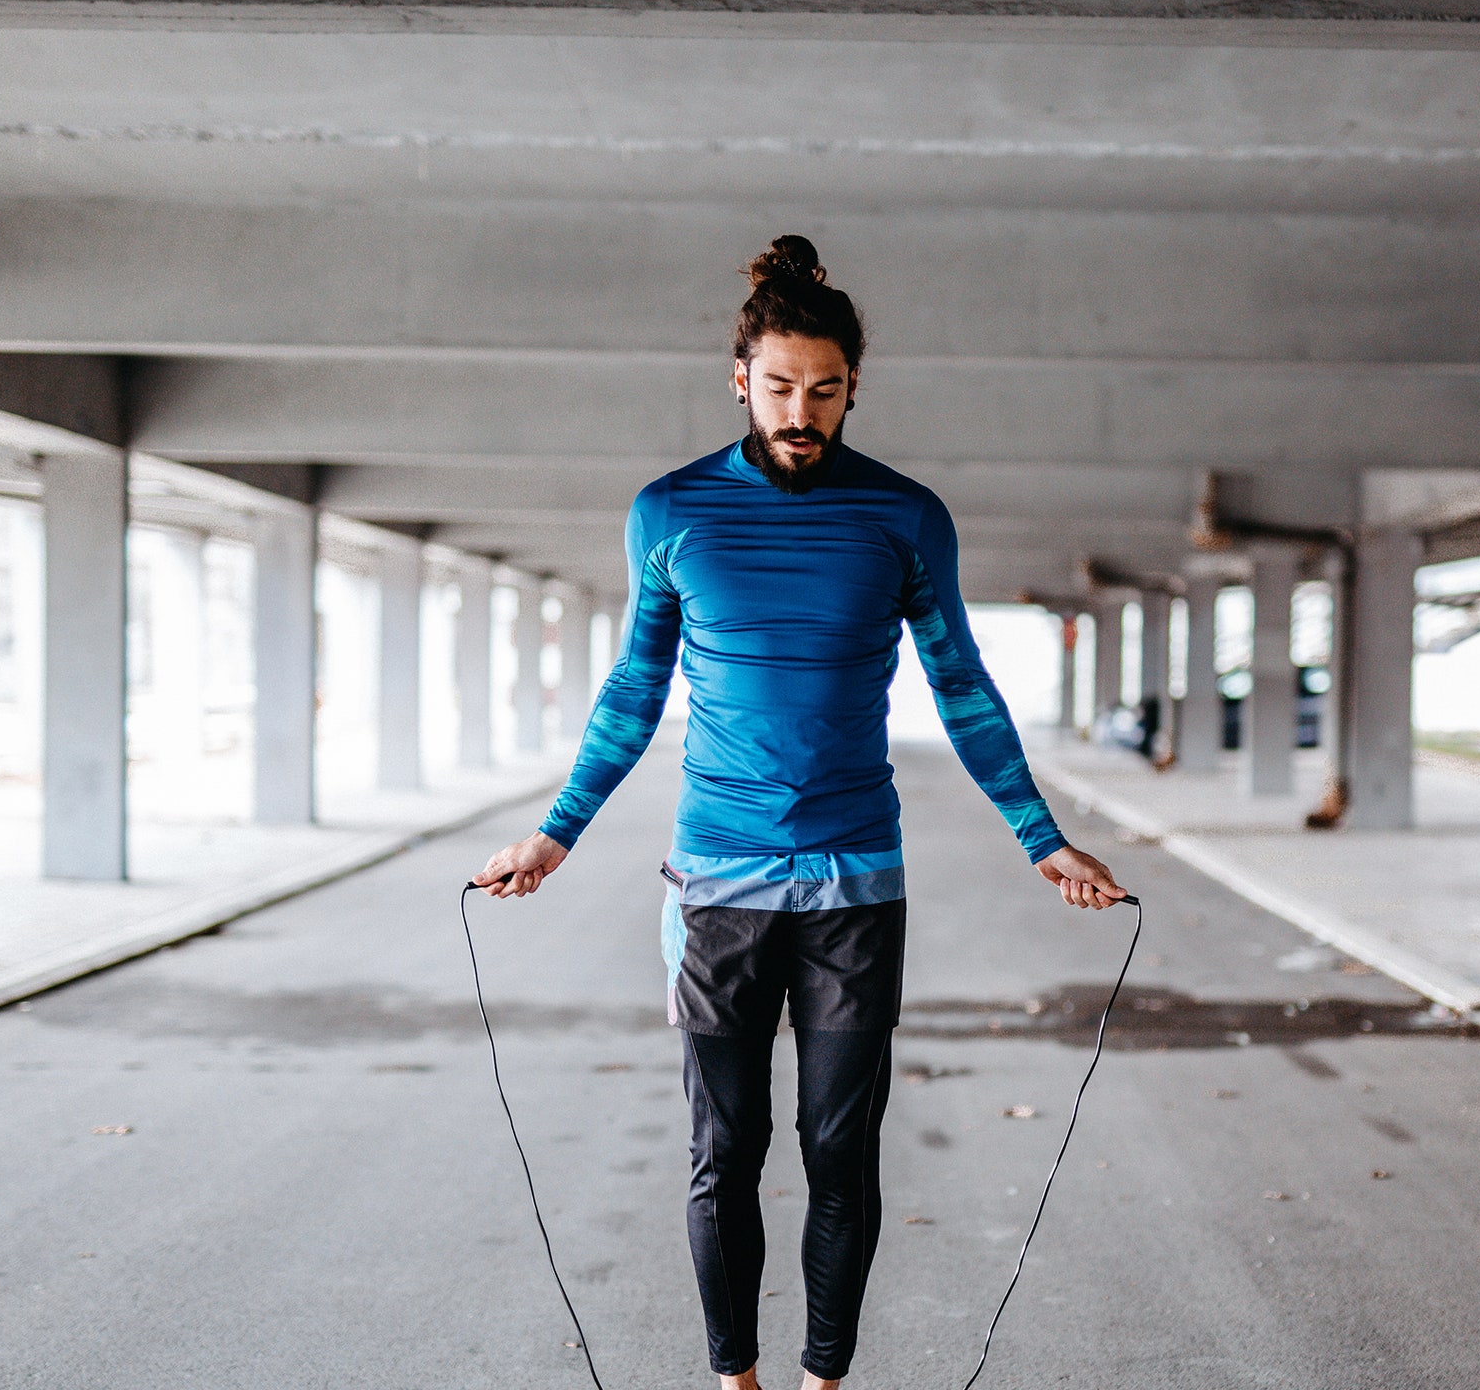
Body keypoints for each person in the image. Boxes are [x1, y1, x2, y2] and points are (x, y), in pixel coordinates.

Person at [476, 234, 1127, 1390]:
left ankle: (825, 1381)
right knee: (724, 1151)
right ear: (740, 379)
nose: (800, 412)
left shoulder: (904, 516)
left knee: (839, 1152)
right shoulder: (670, 513)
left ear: (853, 387)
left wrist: (1041, 838)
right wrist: (555, 833)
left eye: (824, 391)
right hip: (715, 888)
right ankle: (736, 1381)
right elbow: (634, 690)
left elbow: (962, 685)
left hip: (854, 887)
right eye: (779, 386)